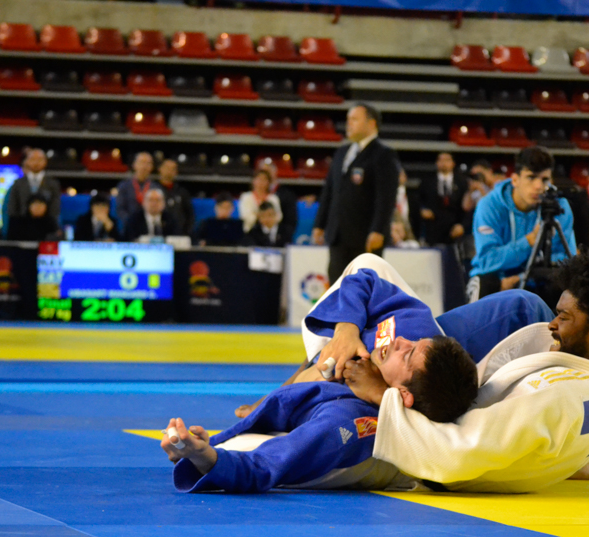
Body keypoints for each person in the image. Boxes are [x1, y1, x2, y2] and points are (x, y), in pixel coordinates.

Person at [347, 248, 589, 493]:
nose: (553, 324)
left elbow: (456, 455)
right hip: (493, 416)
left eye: (565, 317)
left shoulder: (550, 398)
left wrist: (381, 395)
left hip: (432, 425)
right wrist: (571, 461)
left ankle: (342, 338)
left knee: (368, 266)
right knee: (528, 308)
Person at [162, 258, 480, 493]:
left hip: (353, 435)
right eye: (414, 343)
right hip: (338, 361)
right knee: (367, 261)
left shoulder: (351, 420)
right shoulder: (414, 331)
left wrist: (206, 456)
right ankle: (301, 374)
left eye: (408, 354)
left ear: (403, 395)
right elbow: (364, 277)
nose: (401, 342)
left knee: (243, 448)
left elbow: (274, 462)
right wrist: (346, 329)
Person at [234, 254, 554, 419]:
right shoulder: (342, 375)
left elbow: (364, 279)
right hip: (403, 354)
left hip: (420, 339)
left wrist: (346, 327)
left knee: (523, 306)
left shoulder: (406, 333)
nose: (401, 344)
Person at [467, 147, 576, 302]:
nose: (538, 186)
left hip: (537, 279)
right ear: (515, 180)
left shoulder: (559, 207)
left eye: (544, 179)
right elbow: (487, 261)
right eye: (531, 177)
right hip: (500, 278)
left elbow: (566, 259)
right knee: (485, 283)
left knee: (569, 284)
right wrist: (529, 241)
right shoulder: (489, 205)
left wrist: (521, 277)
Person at [313, 103, 400, 281]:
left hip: (365, 235)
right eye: (348, 119)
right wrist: (319, 224)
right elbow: (329, 191)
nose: (349, 124)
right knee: (337, 285)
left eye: (354, 119)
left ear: (371, 123)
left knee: (363, 287)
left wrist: (378, 230)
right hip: (338, 234)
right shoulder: (342, 152)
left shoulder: (383, 154)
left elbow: (386, 197)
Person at [418, 152, 467, 245]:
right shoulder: (427, 182)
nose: (444, 163)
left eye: (447, 160)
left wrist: (463, 225)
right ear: (436, 163)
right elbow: (419, 200)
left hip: (455, 227)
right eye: (441, 160)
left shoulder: (462, 182)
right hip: (433, 227)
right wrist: (423, 210)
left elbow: (467, 207)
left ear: (453, 163)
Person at [4, 149, 61, 227]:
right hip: (22, 228)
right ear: (27, 162)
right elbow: (12, 209)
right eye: (33, 159)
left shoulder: (53, 184)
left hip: (46, 228)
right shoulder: (18, 184)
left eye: (39, 160)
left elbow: (55, 209)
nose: (36, 163)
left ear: (45, 162)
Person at [115, 152, 160, 228]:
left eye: (148, 163)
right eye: (142, 162)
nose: (144, 166)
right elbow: (120, 209)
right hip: (129, 227)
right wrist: (131, 223)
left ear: (152, 167)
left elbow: (159, 210)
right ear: (134, 165)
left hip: (150, 227)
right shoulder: (124, 186)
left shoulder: (156, 188)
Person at [238, 168, 282, 233]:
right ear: (253, 181)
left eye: (264, 179)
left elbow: (278, 216)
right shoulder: (246, 197)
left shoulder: (273, 198)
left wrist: (258, 215)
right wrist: (265, 217)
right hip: (250, 232)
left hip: (270, 232)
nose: (261, 182)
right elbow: (245, 216)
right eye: (259, 179)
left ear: (268, 182)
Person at [158, 159, 194, 236]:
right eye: (167, 168)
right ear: (160, 169)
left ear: (176, 172)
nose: (169, 171)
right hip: (156, 235)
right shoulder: (153, 191)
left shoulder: (182, 192)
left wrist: (186, 234)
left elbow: (190, 216)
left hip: (178, 235)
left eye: (173, 169)